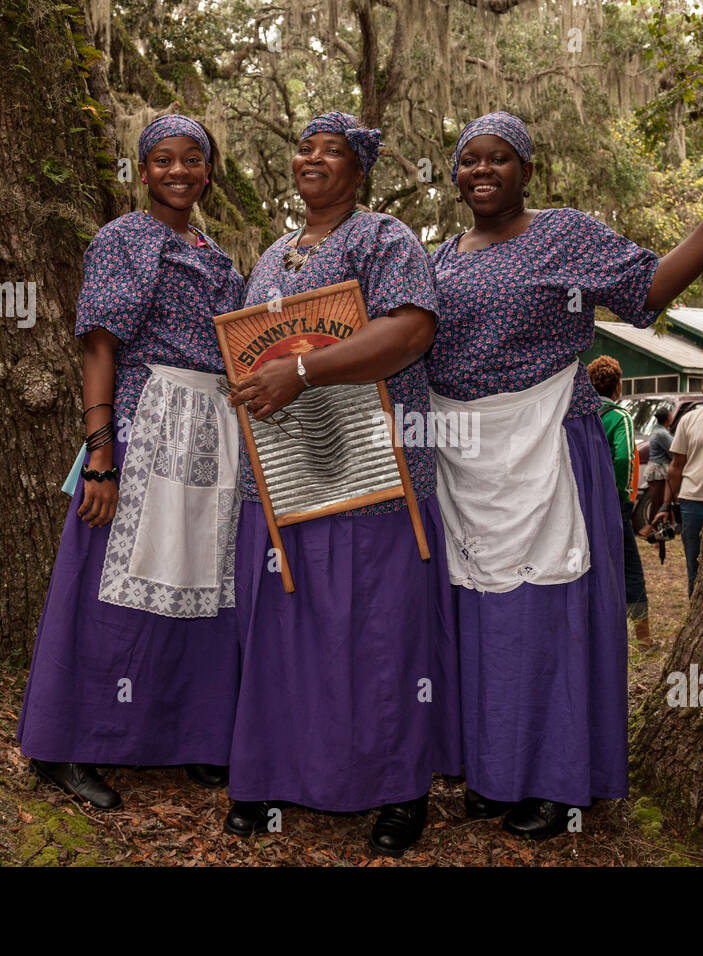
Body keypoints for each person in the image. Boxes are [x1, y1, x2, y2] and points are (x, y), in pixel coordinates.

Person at [427, 111, 703, 838]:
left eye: (500, 158)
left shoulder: (563, 233)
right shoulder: (442, 253)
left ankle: (557, 782)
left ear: (527, 170)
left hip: (545, 447)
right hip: (465, 458)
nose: (482, 171)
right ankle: (494, 770)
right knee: (481, 617)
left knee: (547, 614)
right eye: (469, 159)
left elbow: (650, 286)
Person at [221, 111, 460, 857]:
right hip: (287, 478)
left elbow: (412, 331)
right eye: (306, 147)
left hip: (374, 473)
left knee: (380, 632)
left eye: (335, 151)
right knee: (284, 631)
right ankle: (272, 777)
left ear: (360, 171)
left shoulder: (384, 237)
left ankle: (398, 790)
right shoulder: (268, 256)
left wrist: (302, 370)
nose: (314, 159)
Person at [18, 114, 246, 810]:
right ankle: (65, 747)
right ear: (142, 171)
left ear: (209, 171)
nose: (179, 171)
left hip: (214, 429)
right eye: (162, 160)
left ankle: (194, 736)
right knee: (106, 591)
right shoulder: (123, 239)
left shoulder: (219, 257)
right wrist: (100, 457)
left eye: (193, 160)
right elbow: (97, 346)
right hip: (146, 423)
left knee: (203, 589)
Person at [586, 356, 648, 642]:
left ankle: (593, 632)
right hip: (611, 503)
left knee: (589, 565)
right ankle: (643, 639)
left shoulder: (581, 415)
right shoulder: (618, 416)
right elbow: (624, 456)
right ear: (617, 385)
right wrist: (620, 494)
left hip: (583, 502)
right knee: (630, 568)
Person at [660, 367, 703, 597]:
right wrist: (667, 505)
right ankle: (694, 609)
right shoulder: (689, 419)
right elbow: (676, 465)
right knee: (694, 566)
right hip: (692, 502)